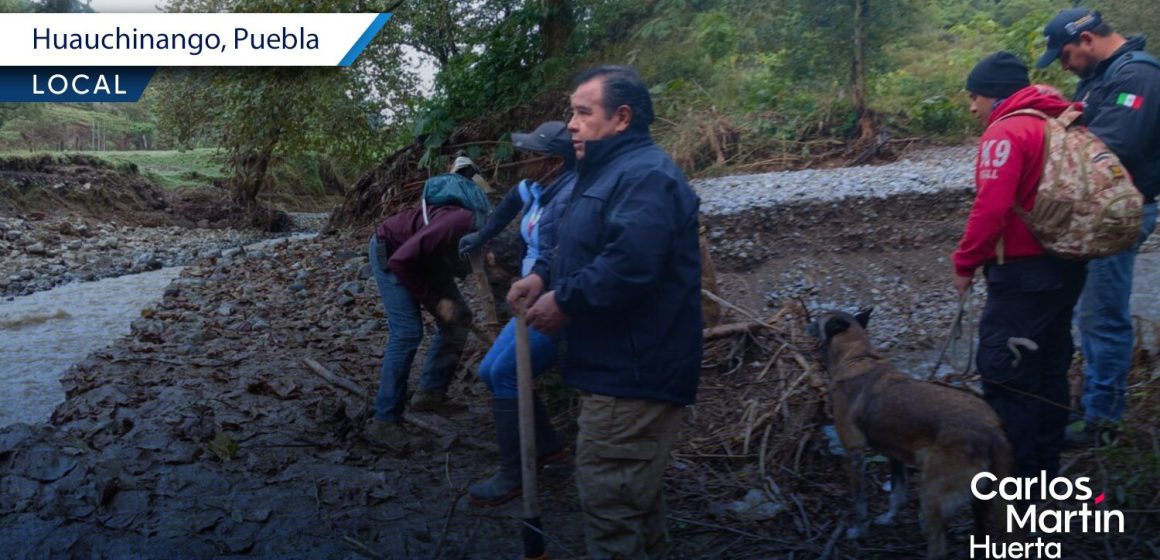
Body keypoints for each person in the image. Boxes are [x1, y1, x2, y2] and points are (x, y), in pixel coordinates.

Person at [508, 65, 703, 560]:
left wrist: (566, 301)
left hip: (632, 375)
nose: (571, 124)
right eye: (571, 113)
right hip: (619, 367)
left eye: (582, 112)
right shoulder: (606, 172)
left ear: (621, 118)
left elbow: (631, 264)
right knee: (636, 505)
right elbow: (588, 244)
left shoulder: (646, 176)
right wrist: (543, 276)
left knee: (611, 509)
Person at [953, 52, 1087, 478]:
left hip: (1022, 274)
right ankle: (1045, 467)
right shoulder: (1061, 120)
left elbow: (990, 208)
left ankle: (1014, 480)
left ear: (994, 96)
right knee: (1049, 367)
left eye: (975, 97)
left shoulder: (1006, 130)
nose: (972, 107)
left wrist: (964, 263)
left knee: (1005, 374)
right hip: (1068, 263)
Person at [1035, 8, 1160, 446]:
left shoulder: (1138, 77)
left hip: (1119, 213)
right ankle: (1091, 404)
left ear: (1087, 39)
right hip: (1095, 212)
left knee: (1102, 316)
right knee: (1087, 313)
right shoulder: (1101, 76)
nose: (1065, 65)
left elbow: (1115, 144)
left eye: (1066, 55)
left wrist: (1058, 134)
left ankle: (1102, 423)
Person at [456, 121, 577, 507]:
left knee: (506, 372)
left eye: (531, 155)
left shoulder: (570, 197)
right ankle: (548, 447)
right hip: (532, 295)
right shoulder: (538, 188)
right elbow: (507, 205)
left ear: (554, 162)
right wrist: (482, 235)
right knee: (489, 371)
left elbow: (562, 257)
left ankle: (515, 473)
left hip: (556, 305)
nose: (523, 161)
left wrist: (542, 286)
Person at [364, 157, 481, 449]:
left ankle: (430, 393)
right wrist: (436, 303)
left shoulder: (482, 222)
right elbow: (401, 261)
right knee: (407, 333)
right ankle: (384, 421)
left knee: (460, 319)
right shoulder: (459, 221)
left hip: (425, 257)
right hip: (392, 251)